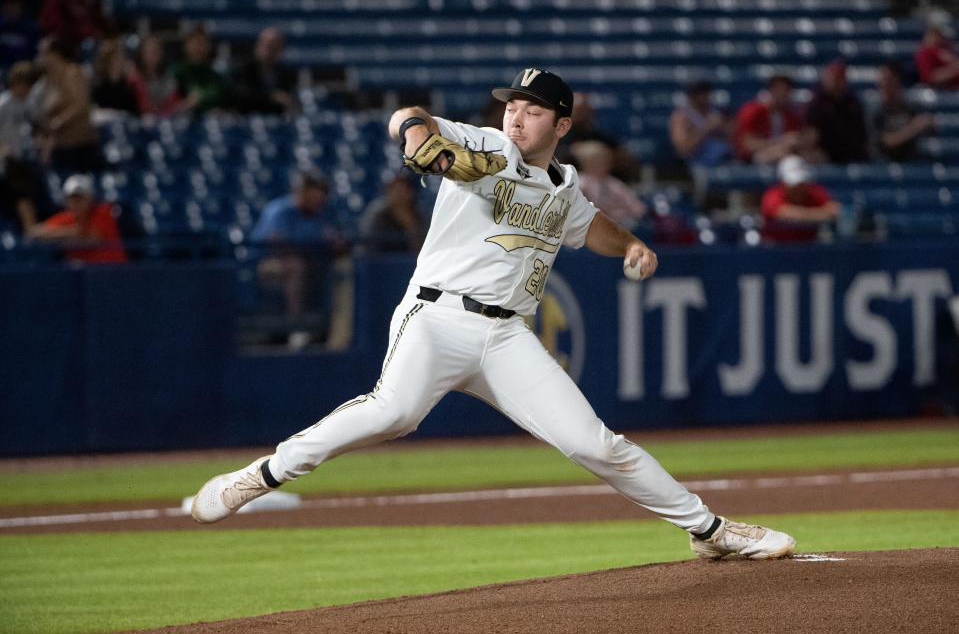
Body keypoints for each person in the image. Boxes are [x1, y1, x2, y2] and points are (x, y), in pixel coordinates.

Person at [192, 67, 797, 562]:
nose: (516, 114)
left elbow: (591, 226)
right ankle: (261, 475)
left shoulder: (564, 186)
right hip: (436, 316)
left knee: (596, 444)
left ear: (562, 123)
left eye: (533, 109)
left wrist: (633, 245)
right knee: (395, 411)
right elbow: (406, 115)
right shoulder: (485, 145)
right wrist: (416, 139)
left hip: (507, 336)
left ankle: (709, 531)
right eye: (513, 104)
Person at [250, 169, 344, 349]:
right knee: (296, 266)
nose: (319, 200)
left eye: (321, 195)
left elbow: (335, 242)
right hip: (267, 265)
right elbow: (274, 244)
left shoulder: (321, 213)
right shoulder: (280, 210)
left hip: (313, 265)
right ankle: (297, 326)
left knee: (340, 268)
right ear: (302, 192)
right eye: (314, 194)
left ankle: (334, 331)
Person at [29, 35, 101, 173]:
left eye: (44, 53)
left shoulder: (73, 72)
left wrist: (59, 121)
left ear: (55, 55)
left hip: (80, 147)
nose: (41, 57)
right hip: (59, 148)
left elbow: (81, 103)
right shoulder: (47, 80)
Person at [27, 173, 126, 263]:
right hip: (84, 277)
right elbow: (34, 233)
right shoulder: (68, 218)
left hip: (113, 273)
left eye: (80, 198)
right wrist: (69, 233)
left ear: (90, 198)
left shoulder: (103, 212)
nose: (76, 204)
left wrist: (58, 238)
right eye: (72, 199)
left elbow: (91, 239)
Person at [734, 74, 823, 164]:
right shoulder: (753, 111)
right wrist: (780, 142)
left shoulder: (791, 115)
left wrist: (803, 139)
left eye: (787, 91)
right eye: (779, 90)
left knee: (817, 156)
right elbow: (747, 143)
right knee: (783, 154)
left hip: (787, 152)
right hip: (756, 156)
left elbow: (797, 138)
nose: (783, 94)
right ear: (771, 91)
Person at [0, 60, 43, 234]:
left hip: (22, 161)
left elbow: (38, 126)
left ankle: (31, 232)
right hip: (6, 163)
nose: (28, 90)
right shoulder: (3, 104)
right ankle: (31, 231)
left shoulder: (29, 104)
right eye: (26, 86)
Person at [760, 155, 840, 244]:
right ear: (783, 183)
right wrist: (820, 214)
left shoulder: (815, 192)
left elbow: (835, 210)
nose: (799, 188)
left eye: (802, 183)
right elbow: (784, 213)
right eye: (794, 185)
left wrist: (805, 215)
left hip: (809, 248)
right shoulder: (772, 195)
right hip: (778, 249)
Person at [572, 140, 646, 231]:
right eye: (597, 161)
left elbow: (638, 209)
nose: (604, 165)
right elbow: (574, 208)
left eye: (606, 161)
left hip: (615, 225)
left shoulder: (613, 183)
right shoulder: (580, 181)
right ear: (586, 163)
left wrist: (619, 212)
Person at [805, 61, 870, 163]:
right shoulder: (818, 102)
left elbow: (860, 134)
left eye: (839, 78)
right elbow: (811, 132)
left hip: (850, 152)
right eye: (832, 78)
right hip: (825, 153)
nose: (835, 82)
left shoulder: (853, 102)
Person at [872, 62, 935, 162]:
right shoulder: (875, 110)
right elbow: (886, 142)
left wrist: (930, 124)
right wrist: (915, 127)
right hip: (883, 166)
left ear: (898, 82)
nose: (884, 85)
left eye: (889, 81)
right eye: (881, 82)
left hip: (912, 163)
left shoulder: (910, 107)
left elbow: (931, 129)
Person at [232, 26, 298, 115]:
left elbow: (288, 99)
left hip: (276, 121)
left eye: (274, 46)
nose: (268, 50)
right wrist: (271, 97)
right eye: (265, 44)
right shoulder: (244, 68)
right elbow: (241, 96)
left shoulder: (285, 73)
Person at [668, 80, 732, 168]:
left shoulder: (716, 114)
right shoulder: (682, 117)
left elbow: (733, 140)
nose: (706, 97)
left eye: (707, 93)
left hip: (725, 159)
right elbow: (682, 150)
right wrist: (706, 128)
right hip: (696, 162)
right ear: (692, 96)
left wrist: (723, 127)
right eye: (701, 93)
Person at [359, 174, 428, 254]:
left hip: (411, 259)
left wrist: (409, 224)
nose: (399, 195)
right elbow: (368, 241)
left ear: (410, 193)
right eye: (395, 190)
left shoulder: (420, 213)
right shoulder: (377, 213)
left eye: (403, 190)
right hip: (380, 260)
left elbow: (424, 245)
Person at [171, 25, 229, 114]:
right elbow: (165, 108)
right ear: (185, 45)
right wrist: (186, 104)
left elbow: (226, 104)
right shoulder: (176, 73)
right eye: (195, 42)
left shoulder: (216, 76)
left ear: (209, 46)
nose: (198, 47)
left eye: (202, 43)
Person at [128, 35, 180, 116]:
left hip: (164, 121)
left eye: (155, 51)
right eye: (149, 51)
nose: (152, 56)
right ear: (142, 54)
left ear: (161, 54)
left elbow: (173, 105)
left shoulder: (169, 79)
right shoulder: (133, 79)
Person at [91, 36, 139, 116]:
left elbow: (134, 113)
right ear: (107, 62)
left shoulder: (128, 87)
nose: (117, 63)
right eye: (114, 60)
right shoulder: (97, 86)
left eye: (120, 59)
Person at [0, 0, 40, 74]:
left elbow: (33, 56)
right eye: (6, 3)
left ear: (21, 5)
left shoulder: (31, 28)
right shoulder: (1, 26)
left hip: (23, 74)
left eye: (13, 3)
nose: (9, 7)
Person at [914, 24, 959, 90]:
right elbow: (930, 78)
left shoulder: (950, 49)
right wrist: (954, 71)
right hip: (939, 91)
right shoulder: (924, 53)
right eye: (937, 35)